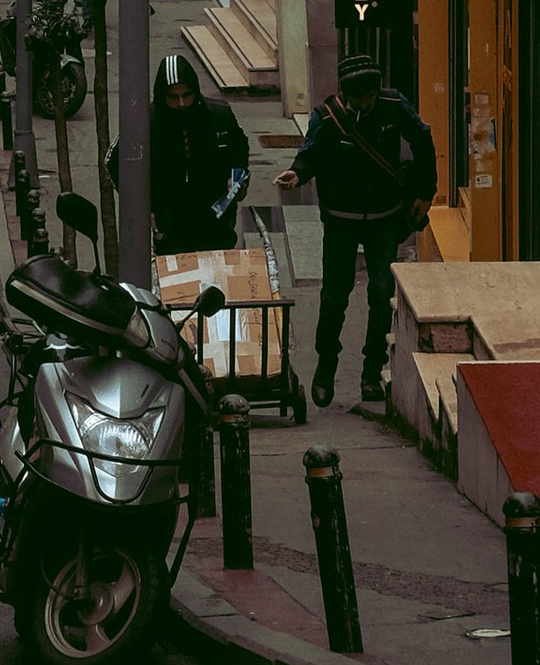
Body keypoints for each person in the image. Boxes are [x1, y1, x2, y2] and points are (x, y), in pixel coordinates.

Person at [279, 52, 437, 410]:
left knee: (381, 293)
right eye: (359, 98)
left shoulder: (394, 106)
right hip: (341, 219)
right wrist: (296, 173)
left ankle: (371, 371)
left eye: (370, 96)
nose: (365, 104)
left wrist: (426, 193)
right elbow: (310, 153)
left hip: (384, 216)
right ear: (346, 94)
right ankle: (325, 367)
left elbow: (423, 139)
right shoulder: (327, 116)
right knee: (334, 296)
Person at [147, 53, 251, 255]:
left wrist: (237, 177)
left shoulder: (218, 115)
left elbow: (239, 148)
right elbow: (118, 162)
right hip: (171, 224)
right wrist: (144, 206)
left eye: (186, 95)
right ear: (162, 97)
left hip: (215, 220)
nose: (181, 103)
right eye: (173, 98)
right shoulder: (148, 122)